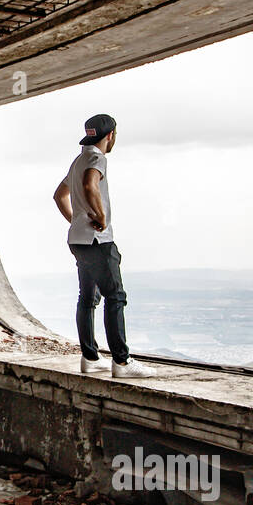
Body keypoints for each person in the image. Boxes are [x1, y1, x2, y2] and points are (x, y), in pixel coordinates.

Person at [53, 114, 156, 378]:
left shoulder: (77, 160)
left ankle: (90, 358)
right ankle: (121, 362)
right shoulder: (98, 159)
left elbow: (59, 195)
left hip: (78, 240)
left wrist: (76, 219)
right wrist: (99, 216)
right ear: (110, 135)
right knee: (115, 296)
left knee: (87, 299)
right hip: (98, 241)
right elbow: (90, 185)